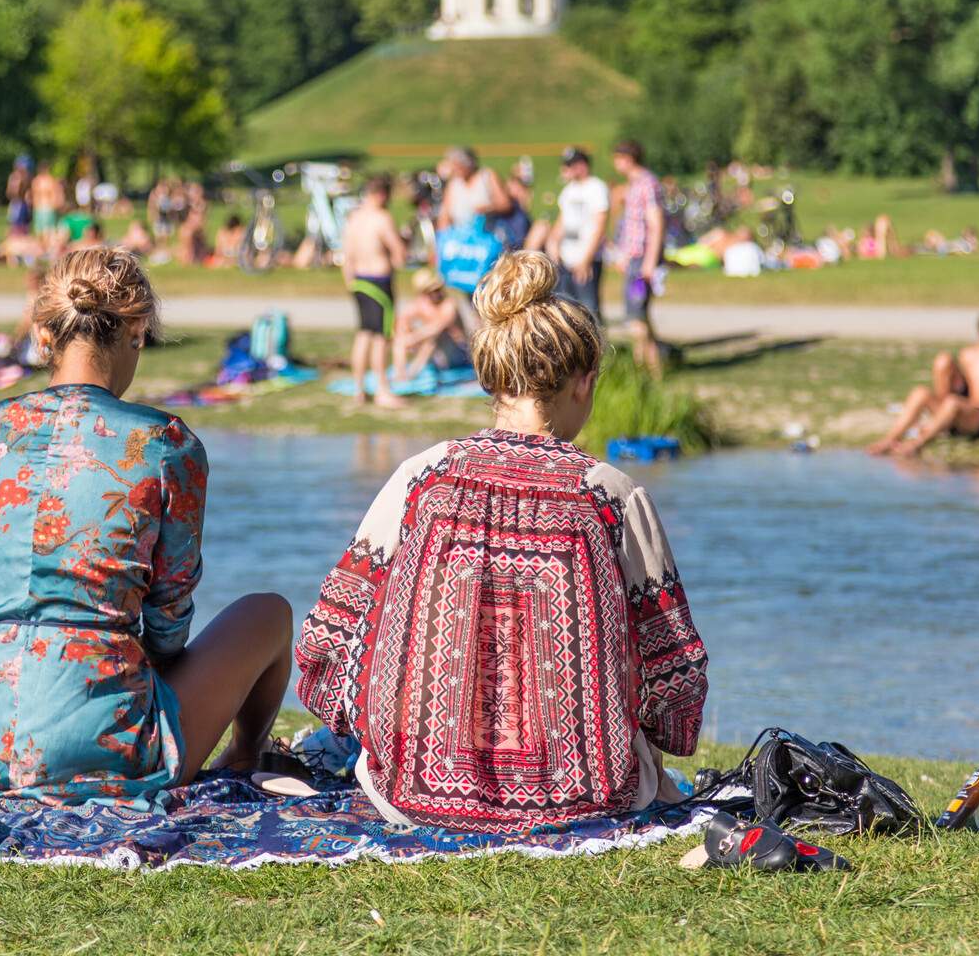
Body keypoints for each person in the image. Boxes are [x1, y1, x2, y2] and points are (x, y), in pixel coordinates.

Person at [296, 251, 708, 830]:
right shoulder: (611, 495)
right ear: (584, 382)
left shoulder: (424, 475)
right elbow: (676, 685)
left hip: (412, 796)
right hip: (588, 799)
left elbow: (328, 639)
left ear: (493, 379)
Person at [0, 247, 291, 801]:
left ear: (43, 335)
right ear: (138, 331)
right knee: (270, 612)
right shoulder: (164, 444)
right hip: (102, 744)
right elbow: (168, 618)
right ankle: (243, 755)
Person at [867, 311, 979, 456]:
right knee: (920, 391)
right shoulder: (967, 355)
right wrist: (944, 365)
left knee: (953, 402)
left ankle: (917, 444)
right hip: (965, 411)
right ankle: (889, 439)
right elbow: (960, 385)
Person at [341, 175, 408, 409]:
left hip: (358, 281)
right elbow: (398, 253)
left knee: (363, 334)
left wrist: (350, 283)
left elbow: (346, 256)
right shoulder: (382, 218)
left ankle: (358, 390)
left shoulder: (354, 218)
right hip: (379, 282)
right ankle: (382, 390)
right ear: (381, 194)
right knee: (380, 337)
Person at [611, 139, 667, 372]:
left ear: (627, 158)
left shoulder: (647, 184)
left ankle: (641, 368)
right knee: (641, 316)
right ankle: (655, 369)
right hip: (634, 258)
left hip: (643, 260)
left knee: (636, 318)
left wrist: (649, 263)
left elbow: (656, 224)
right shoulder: (633, 185)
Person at [548, 146, 609, 316]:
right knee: (567, 309)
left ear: (581, 165)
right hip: (567, 259)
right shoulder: (568, 191)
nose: (565, 170)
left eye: (569, 166)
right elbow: (562, 222)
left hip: (586, 259)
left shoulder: (596, 188)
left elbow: (600, 225)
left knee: (589, 309)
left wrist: (586, 259)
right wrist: (553, 243)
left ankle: (598, 343)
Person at [390, 269, 469, 381]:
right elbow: (401, 319)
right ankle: (400, 374)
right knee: (401, 338)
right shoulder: (421, 304)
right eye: (430, 291)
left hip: (457, 353)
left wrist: (413, 338)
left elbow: (438, 327)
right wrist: (404, 332)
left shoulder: (449, 304)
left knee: (432, 339)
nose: (436, 293)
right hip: (437, 352)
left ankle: (412, 374)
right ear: (423, 293)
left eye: (437, 289)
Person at [435, 146, 512, 233]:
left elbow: (505, 204)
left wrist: (487, 209)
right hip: (459, 236)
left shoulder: (487, 176)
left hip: (487, 234)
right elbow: (444, 216)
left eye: (456, 165)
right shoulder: (454, 183)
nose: (454, 169)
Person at [30, 162, 66, 253]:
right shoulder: (51, 181)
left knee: (40, 232)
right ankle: (48, 251)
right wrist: (59, 207)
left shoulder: (36, 181)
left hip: (38, 209)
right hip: (49, 208)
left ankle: (42, 251)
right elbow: (57, 197)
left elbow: (33, 196)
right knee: (49, 232)